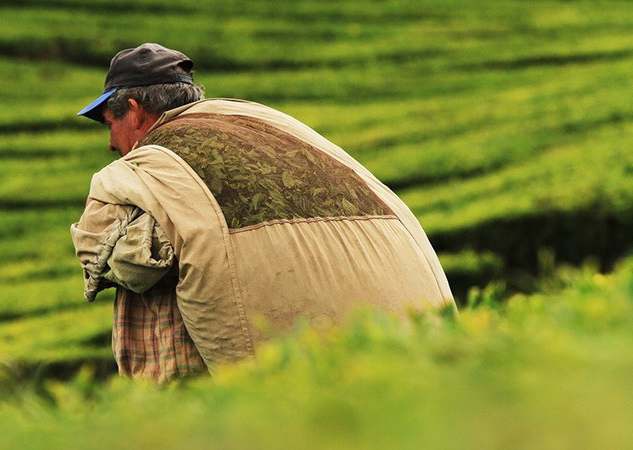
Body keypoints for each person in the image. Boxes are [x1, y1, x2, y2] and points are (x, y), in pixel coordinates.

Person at [70, 43, 455, 382]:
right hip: (410, 341)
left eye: (110, 124)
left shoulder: (155, 162)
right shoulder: (263, 126)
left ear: (134, 111)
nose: (111, 144)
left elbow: (102, 251)